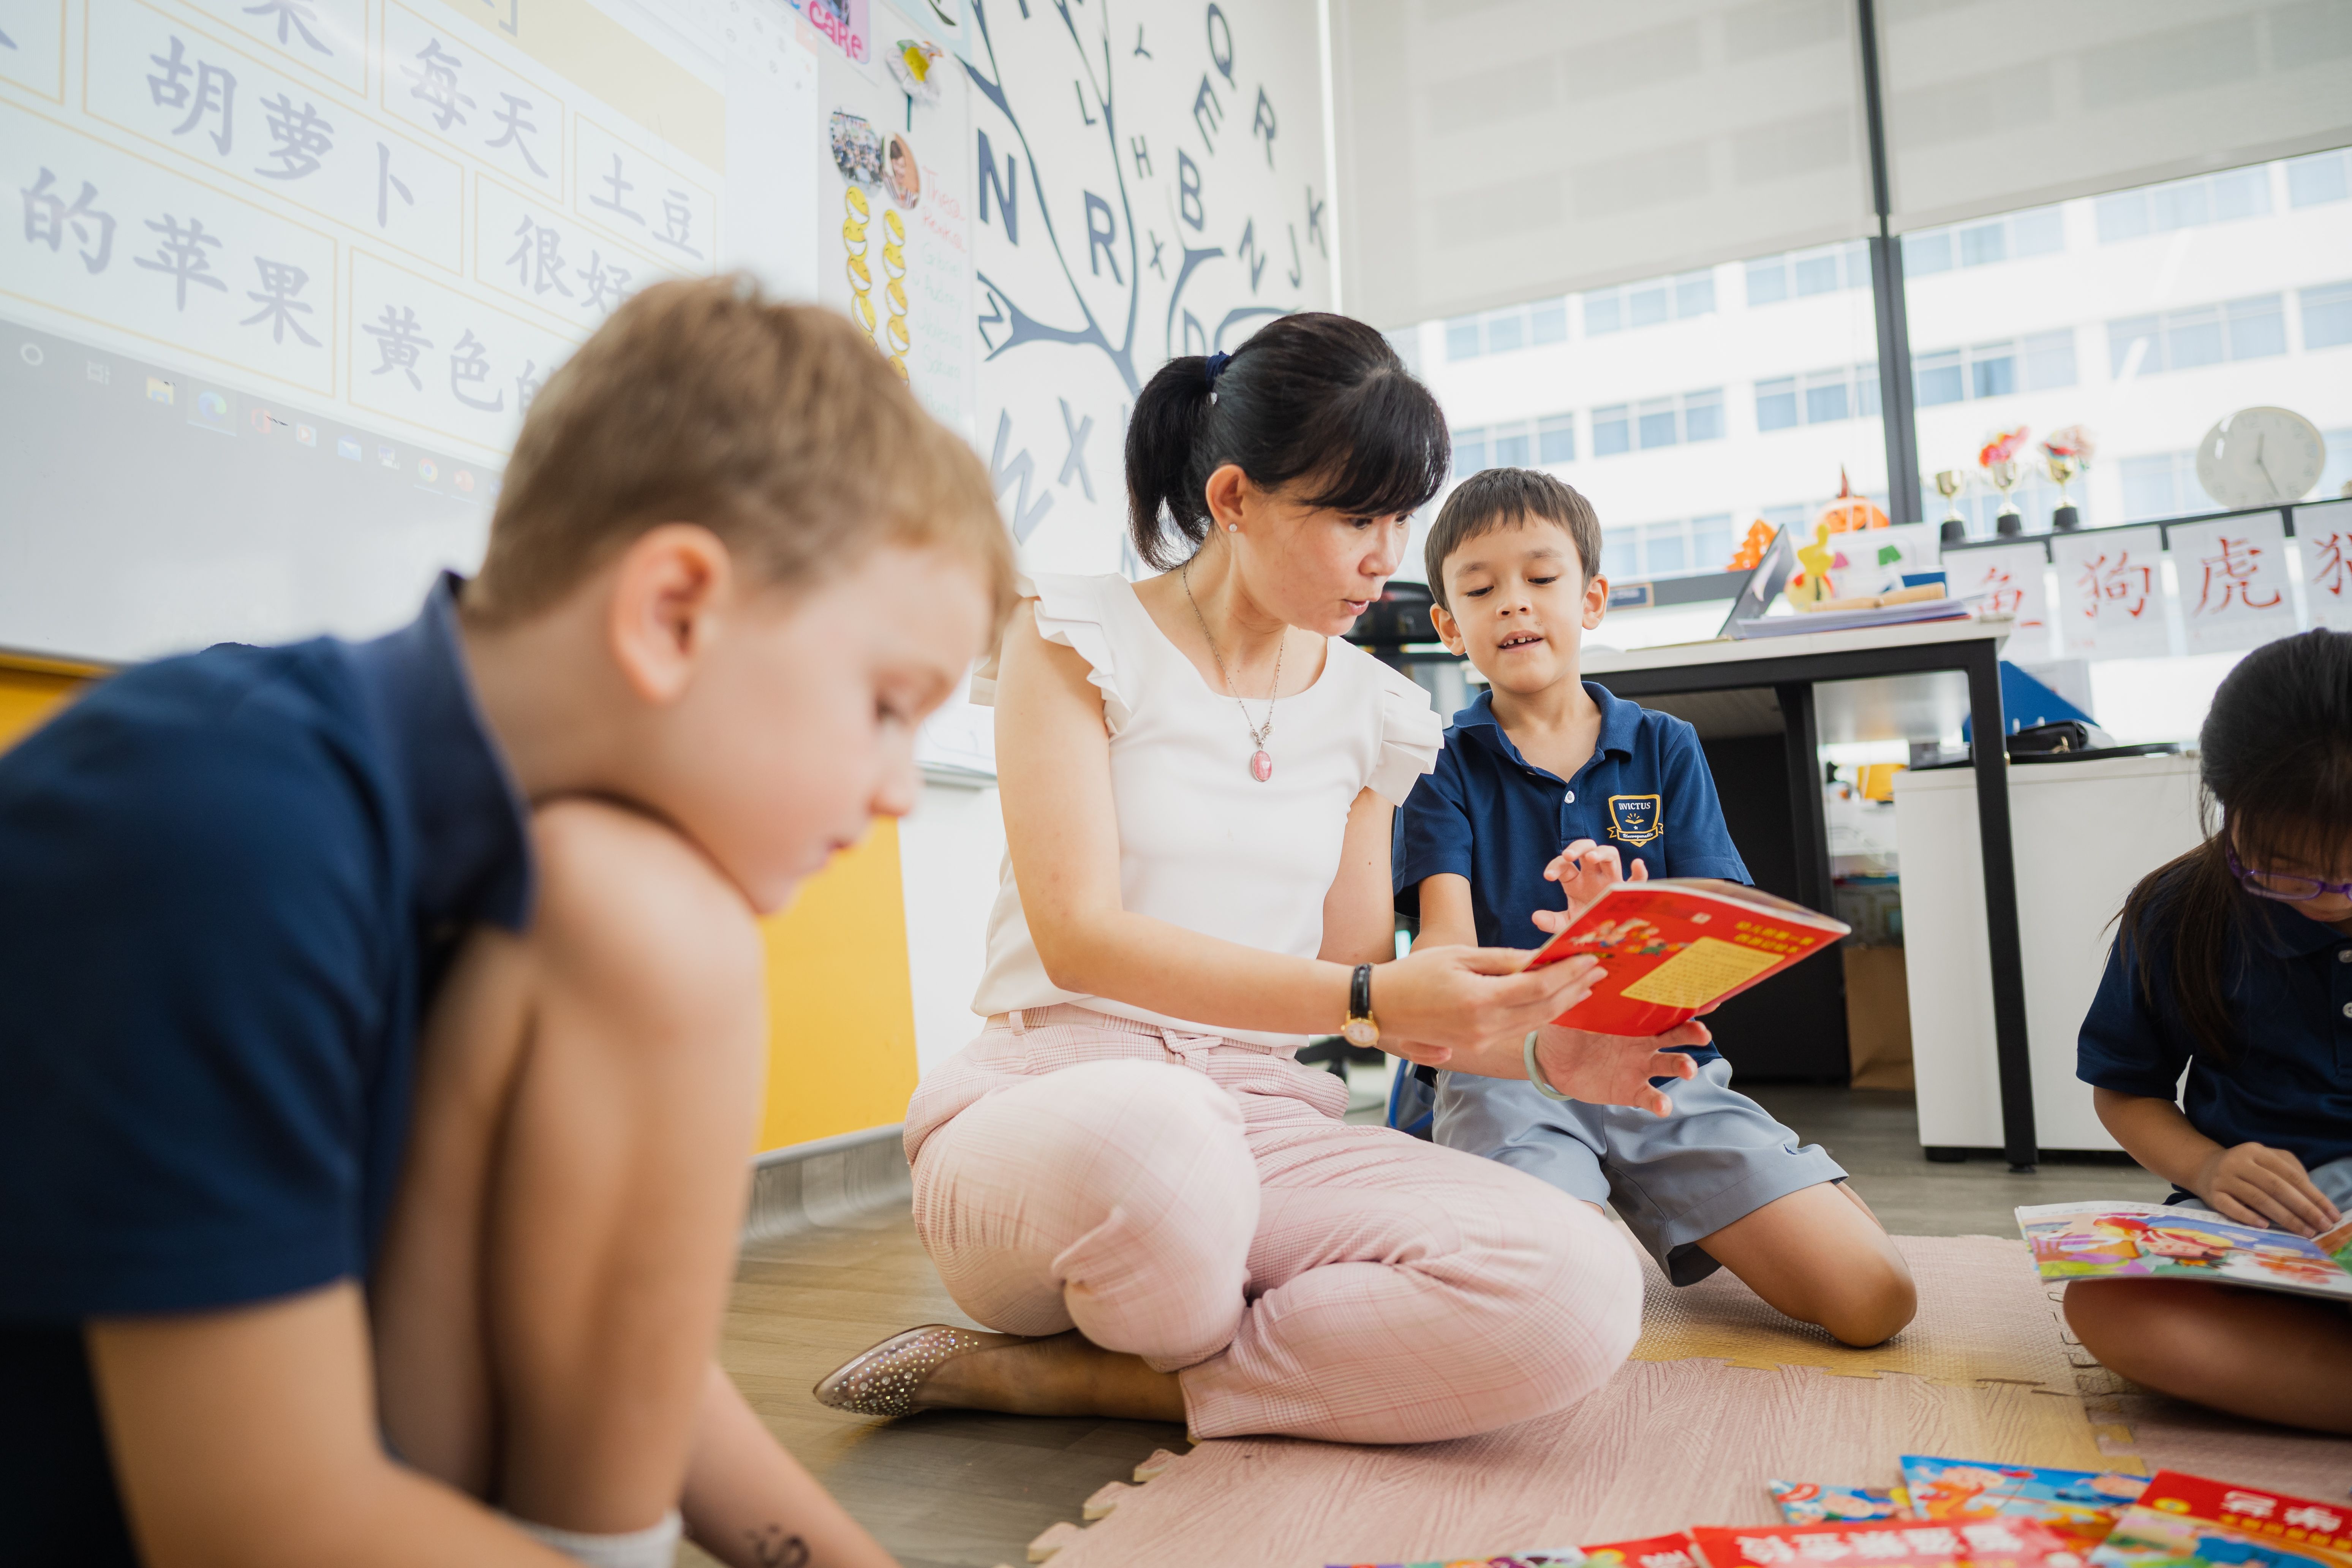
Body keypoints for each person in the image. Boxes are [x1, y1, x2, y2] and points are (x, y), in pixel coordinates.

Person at [0, 279, 1015, 1566]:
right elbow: (259, 1519)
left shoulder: (533, 857)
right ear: (672, 613)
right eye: (885, 703)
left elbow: (637, 1359)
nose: (895, 790)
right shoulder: (224, 823)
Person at [812, 316, 1698, 1447]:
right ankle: (1301, 1343)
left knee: (1581, 1284)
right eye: (1356, 518)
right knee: (1167, 1138)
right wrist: (1371, 1001)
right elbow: (1083, 938)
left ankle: (1095, 1382)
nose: (1387, 556)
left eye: (1399, 521)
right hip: (1056, 1108)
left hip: (1263, 1119)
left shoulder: (1378, 711)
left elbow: (1347, 965)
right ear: (1234, 499)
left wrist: (1537, 1039)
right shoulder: (1074, 636)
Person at [1393, 469, 1916, 1348]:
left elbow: (1714, 955)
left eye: (1541, 579)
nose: (1514, 605)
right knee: (1555, 1317)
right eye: (1481, 590)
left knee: (1877, 1301)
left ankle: (1770, 1184)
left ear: (1591, 598)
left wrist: (1630, 928)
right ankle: (1507, 1194)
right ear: (1450, 626)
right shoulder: (1437, 766)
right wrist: (1561, 970)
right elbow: (1442, 964)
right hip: (1507, 1075)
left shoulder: (1666, 746)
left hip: (1655, 1069)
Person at [2066, 629, 2352, 1434]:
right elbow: (2126, 1089)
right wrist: (2210, 1164)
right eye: (2287, 866)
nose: (2331, 897)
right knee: (2110, 1304)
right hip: (2261, 1248)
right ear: (2228, 805)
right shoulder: (2179, 913)